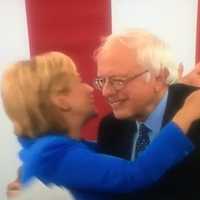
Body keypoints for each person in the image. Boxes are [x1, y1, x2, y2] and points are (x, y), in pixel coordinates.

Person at [2, 51, 200, 200]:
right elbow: (135, 174)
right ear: (61, 101)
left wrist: (170, 93)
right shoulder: (52, 155)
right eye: (78, 82)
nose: (91, 89)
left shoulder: (50, 151)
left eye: (117, 81)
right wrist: (186, 113)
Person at [95, 29, 200, 199]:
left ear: (159, 78)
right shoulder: (110, 127)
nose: (106, 92)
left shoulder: (195, 113)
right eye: (102, 81)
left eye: (117, 81)